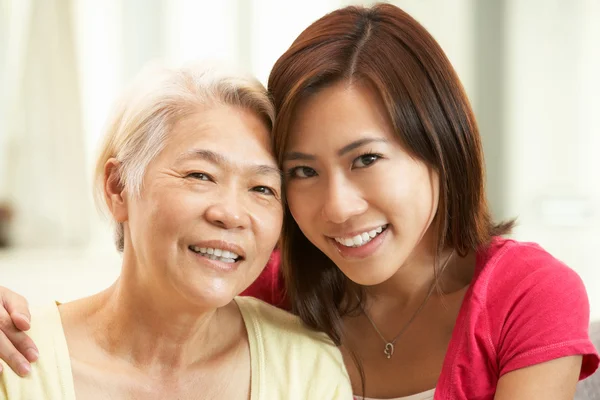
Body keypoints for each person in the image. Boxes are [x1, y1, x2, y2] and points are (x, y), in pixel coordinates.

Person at [1, 3, 598, 399]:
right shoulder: (270, 287)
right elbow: (143, 306)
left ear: (439, 148)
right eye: (301, 172)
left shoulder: (527, 293)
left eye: (366, 159)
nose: (337, 207)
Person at [0, 63, 351, 399]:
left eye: (262, 189)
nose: (231, 214)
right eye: (200, 175)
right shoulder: (14, 361)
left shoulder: (306, 368)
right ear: (118, 187)